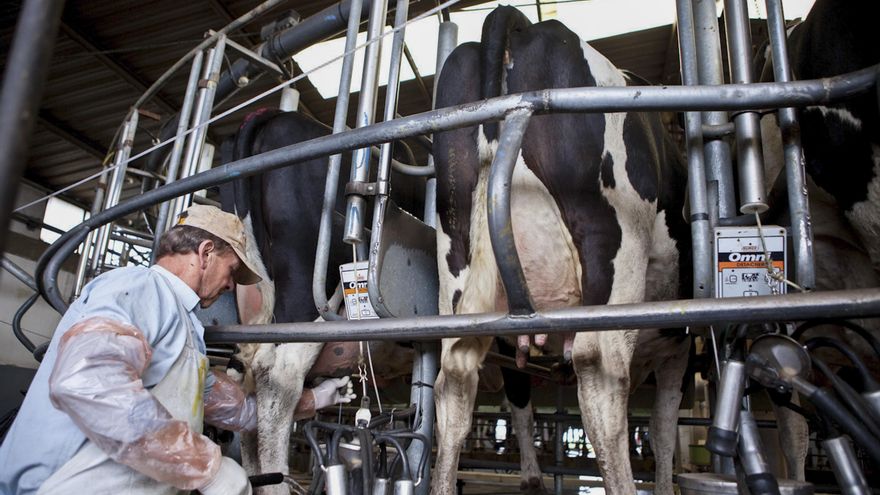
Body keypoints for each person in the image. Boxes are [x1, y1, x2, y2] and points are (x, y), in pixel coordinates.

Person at [0, 205, 353, 494]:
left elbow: (236, 411)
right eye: (231, 271)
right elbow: (89, 383)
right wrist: (205, 468)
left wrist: (315, 399)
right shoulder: (138, 288)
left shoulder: (185, 328)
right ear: (205, 253)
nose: (231, 286)